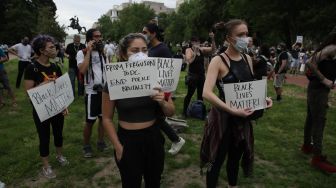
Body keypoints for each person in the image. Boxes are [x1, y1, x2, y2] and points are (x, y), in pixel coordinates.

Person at [202, 19, 272, 187]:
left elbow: (246, 87)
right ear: (228, 38)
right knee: (215, 162)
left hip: (242, 120)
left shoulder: (247, 58)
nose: (245, 38)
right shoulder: (218, 61)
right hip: (222, 121)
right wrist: (231, 110)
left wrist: (263, 98)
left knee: (234, 159)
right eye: (240, 35)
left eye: (246, 34)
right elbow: (206, 92)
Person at [102, 33, 175, 188]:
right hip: (127, 141)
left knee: (154, 181)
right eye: (135, 51)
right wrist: (118, 147)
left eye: (144, 50)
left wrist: (162, 101)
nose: (141, 54)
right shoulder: (115, 80)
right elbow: (107, 118)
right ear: (123, 53)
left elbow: (170, 112)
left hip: (153, 137)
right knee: (130, 183)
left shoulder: (157, 77)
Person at [24, 35, 69, 179]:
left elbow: (60, 89)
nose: (55, 49)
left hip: (56, 108)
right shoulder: (32, 68)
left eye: (54, 46)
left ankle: (59, 156)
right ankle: (46, 166)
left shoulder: (55, 66)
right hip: (41, 110)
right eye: (51, 47)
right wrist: (42, 85)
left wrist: (64, 105)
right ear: (42, 50)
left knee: (58, 134)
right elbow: (28, 93)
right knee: (44, 138)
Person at [142, 22, 185, 155]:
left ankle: (176, 139)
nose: (143, 35)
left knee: (157, 117)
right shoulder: (148, 48)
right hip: (149, 86)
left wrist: (167, 93)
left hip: (160, 88)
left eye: (145, 32)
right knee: (156, 117)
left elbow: (169, 71)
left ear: (153, 34)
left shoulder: (163, 49)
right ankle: (175, 139)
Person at [301, 26, 336, 173]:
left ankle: (307, 146)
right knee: (319, 121)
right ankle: (317, 158)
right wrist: (324, 80)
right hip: (318, 89)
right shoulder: (333, 47)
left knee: (311, 118)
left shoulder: (331, 47)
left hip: (316, 89)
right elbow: (309, 62)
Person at [77, 28, 107, 158]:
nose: (99, 38)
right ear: (89, 39)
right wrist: (88, 52)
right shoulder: (81, 52)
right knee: (90, 121)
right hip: (91, 92)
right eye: (96, 36)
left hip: (104, 91)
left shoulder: (103, 52)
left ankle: (101, 142)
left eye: (100, 36)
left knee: (103, 119)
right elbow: (82, 70)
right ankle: (86, 145)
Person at [182, 34, 216, 117]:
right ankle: (184, 112)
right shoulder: (188, 50)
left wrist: (212, 39)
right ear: (192, 42)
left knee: (200, 94)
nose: (197, 43)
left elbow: (213, 50)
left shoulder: (202, 49)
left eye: (198, 42)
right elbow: (189, 61)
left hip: (201, 75)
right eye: (195, 42)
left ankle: (199, 112)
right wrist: (194, 52)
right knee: (190, 94)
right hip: (193, 75)